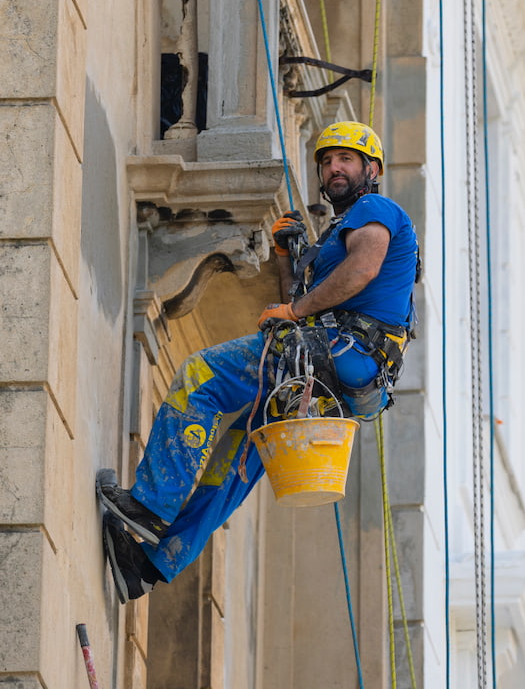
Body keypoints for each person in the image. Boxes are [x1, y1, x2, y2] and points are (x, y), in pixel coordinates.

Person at [98, 121, 419, 603]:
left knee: (200, 375)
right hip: (343, 370)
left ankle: (147, 507)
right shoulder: (335, 237)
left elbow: (361, 269)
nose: (334, 167)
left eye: (347, 159)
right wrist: (291, 258)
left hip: (338, 350)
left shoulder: (376, 209)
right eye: (327, 160)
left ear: (371, 170)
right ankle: (147, 566)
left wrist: (295, 308)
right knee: (239, 456)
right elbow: (306, 300)